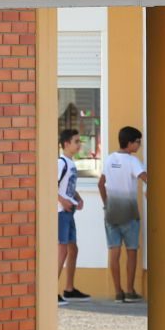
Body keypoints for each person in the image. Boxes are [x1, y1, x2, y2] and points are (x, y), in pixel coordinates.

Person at [98, 126, 148, 303]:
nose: (139, 145)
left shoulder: (110, 158)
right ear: (130, 143)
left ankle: (118, 291)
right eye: (138, 142)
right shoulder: (133, 161)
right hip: (129, 212)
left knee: (114, 251)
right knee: (132, 251)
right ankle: (130, 289)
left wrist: (107, 204)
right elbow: (147, 178)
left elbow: (100, 183)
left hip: (111, 212)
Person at [57, 129, 89, 305]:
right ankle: (50, 291)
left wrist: (77, 197)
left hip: (69, 211)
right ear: (66, 144)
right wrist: (63, 200)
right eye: (76, 141)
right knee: (61, 249)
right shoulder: (61, 163)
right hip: (61, 212)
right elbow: (51, 184)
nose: (79, 145)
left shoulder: (71, 163)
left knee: (72, 249)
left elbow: (66, 185)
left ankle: (69, 288)